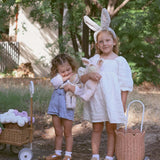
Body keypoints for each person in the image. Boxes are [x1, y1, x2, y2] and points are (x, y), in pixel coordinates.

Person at [79, 8, 133, 160]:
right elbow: (82, 79)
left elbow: (125, 85)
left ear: (114, 41)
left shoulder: (119, 62)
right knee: (96, 129)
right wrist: (89, 74)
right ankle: (95, 155)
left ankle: (109, 156)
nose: (105, 44)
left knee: (111, 129)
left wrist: (122, 104)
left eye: (108, 40)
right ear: (97, 44)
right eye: (101, 41)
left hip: (112, 101)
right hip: (97, 101)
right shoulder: (95, 60)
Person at [46, 53, 80, 160]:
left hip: (67, 107)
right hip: (55, 107)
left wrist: (71, 81)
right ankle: (57, 153)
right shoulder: (57, 79)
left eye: (68, 70)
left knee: (68, 132)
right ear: (57, 71)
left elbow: (79, 89)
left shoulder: (75, 78)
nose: (66, 73)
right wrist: (66, 77)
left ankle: (68, 155)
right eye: (62, 71)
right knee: (58, 132)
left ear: (72, 67)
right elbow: (55, 83)